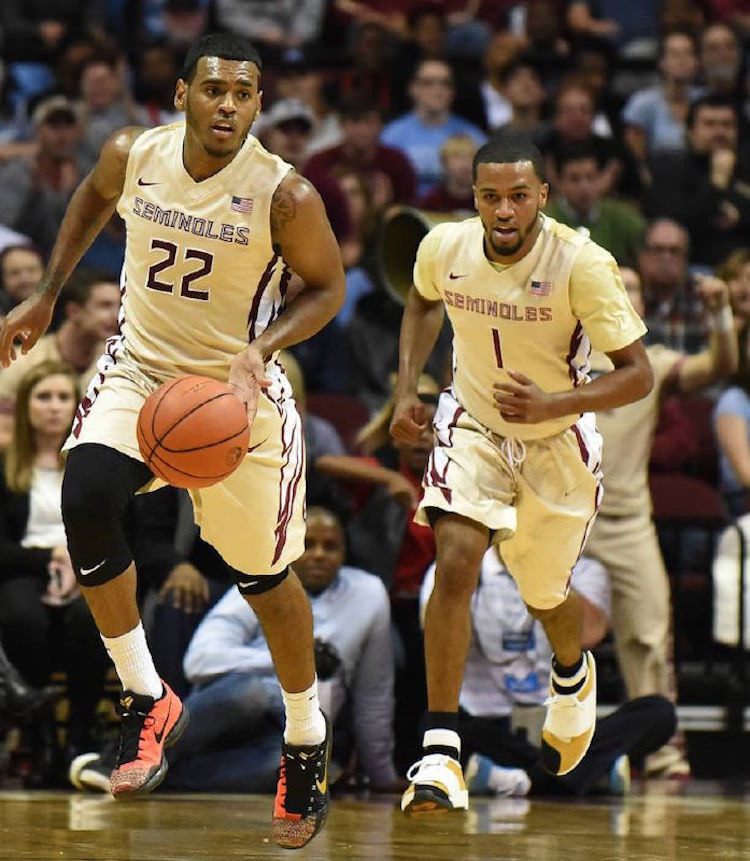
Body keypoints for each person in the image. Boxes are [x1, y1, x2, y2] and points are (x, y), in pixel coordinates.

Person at [0, 32, 346, 850]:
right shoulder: (133, 152)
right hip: (142, 373)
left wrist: (261, 350)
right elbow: (89, 201)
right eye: (216, 90)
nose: (230, 105)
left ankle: (304, 735)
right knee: (84, 494)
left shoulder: (284, 194)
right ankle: (146, 694)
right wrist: (48, 295)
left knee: (264, 577)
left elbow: (328, 285)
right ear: (184, 94)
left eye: (245, 94)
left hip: (239, 400)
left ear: (257, 104)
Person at [389, 135, 653, 815]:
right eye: (489, 196)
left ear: (541, 195)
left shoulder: (583, 263)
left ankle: (573, 670)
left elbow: (638, 375)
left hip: (556, 439)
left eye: (517, 195)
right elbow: (421, 301)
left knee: (544, 595)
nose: (503, 210)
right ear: (474, 197)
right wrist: (405, 393)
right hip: (472, 424)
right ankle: (440, 750)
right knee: (455, 562)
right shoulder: (445, 247)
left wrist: (556, 402)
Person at [71, 506, 401, 795]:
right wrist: (293, 661)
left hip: (297, 726)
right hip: (236, 709)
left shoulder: (368, 594)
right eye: (308, 544)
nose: (318, 554)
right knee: (251, 693)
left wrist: (382, 774)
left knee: (291, 768)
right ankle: (121, 758)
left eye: (330, 546)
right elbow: (200, 660)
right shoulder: (265, 582)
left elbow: (375, 691)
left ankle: (157, 778)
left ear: (345, 552)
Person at [586, 266, 736, 778]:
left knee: (650, 638)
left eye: (632, 288)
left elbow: (719, 366)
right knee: (520, 628)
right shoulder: (555, 359)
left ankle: (662, 752)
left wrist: (719, 313)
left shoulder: (652, 365)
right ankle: (529, 744)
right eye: (613, 285)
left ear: (642, 307)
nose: (622, 294)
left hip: (627, 522)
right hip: (558, 522)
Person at [420, 549, 677, 798]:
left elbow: (588, 634)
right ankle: (583, 774)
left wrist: (546, 573)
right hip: (491, 722)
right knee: (436, 725)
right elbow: (438, 643)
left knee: (659, 713)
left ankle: (510, 778)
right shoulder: (458, 566)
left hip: (560, 725)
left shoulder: (584, 570)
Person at [0, 360, 110, 783]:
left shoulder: (93, 463)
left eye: (63, 398)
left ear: (77, 406)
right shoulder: (8, 465)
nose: (53, 407)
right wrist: (49, 557)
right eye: (43, 397)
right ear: (25, 406)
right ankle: (40, 735)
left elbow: (117, 530)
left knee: (91, 618)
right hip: (24, 567)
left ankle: (80, 734)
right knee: (22, 615)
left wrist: (76, 558)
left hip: (85, 566)